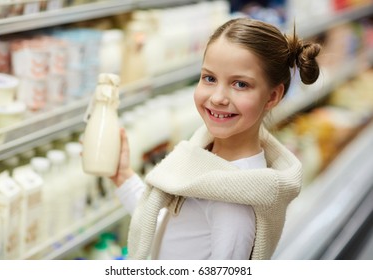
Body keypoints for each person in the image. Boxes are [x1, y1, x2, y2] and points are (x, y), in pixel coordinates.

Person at [111, 17, 321, 260]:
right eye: (209, 78)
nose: (218, 97)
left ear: (272, 97)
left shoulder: (234, 201)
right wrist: (124, 177)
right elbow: (179, 237)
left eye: (240, 84)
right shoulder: (204, 154)